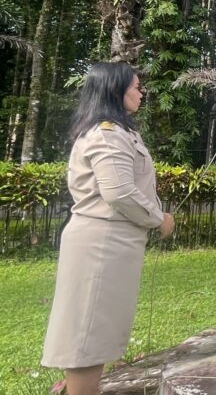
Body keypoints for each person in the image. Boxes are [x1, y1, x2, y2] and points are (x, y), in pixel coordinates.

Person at [41, 62, 175, 395]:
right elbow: (118, 192)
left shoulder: (119, 131)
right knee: (88, 337)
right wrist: (159, 219)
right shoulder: (106, 133)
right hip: (101, 244)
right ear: (115, 91)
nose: (141, 92)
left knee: (96, 335)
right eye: (135, 87)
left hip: (112, 243)